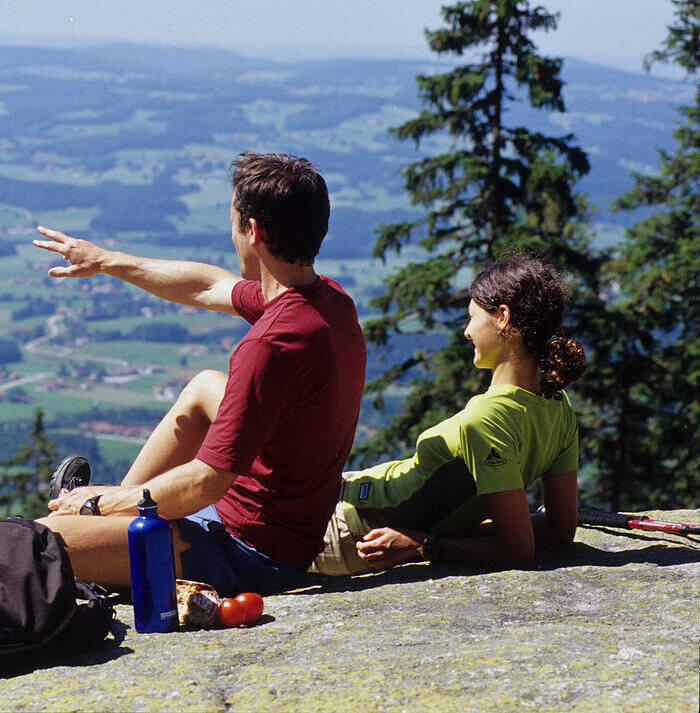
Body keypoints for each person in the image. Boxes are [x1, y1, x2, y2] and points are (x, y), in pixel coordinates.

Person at [33, 152, 367, 595]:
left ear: (253, 231)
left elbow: (206, 482)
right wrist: (106, 260)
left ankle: (96, 514)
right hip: (286, 534)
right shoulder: (329, 303)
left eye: (232, 221)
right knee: (205, 386)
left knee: (36, 544)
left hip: (247, 552)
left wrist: (98, 502)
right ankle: (107, 514)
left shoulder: (270, 344)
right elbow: (209, 285)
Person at [310, 254, 586, 577]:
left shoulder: (486, 420)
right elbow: (558, 532)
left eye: (472, 317)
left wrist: (424, 546)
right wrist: (460, 534)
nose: (467, 332)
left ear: (502, 317)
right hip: (349, 492)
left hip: (344, 528)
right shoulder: (557, 406)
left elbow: (517, 551)